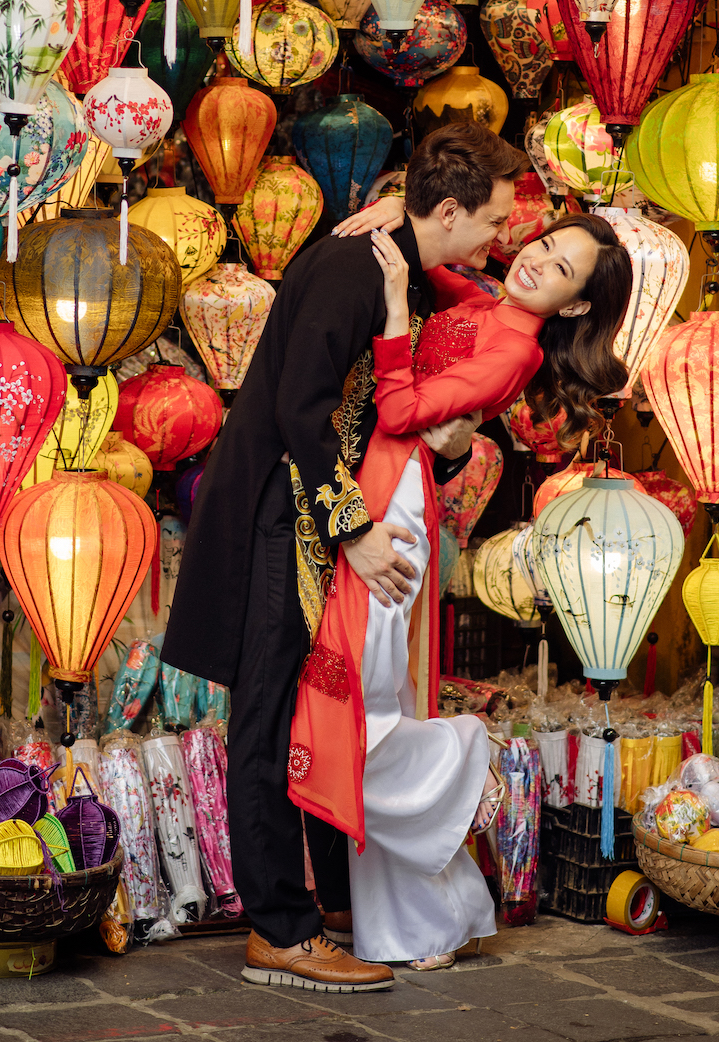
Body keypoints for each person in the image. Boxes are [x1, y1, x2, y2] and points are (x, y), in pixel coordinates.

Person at [161, 123, 527, 992]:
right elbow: (299, 410)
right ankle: (278, 931)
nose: (498, 240)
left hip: (306, 512)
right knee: (265, 710)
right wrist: (355, 528)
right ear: (446, 210)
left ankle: (320, 904)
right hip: (277, 513)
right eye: (494, 222)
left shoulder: (392, 259)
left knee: (316, 702)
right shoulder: (352, 266)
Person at [289, 205, 633, 969]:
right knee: (353, 698)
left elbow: (403, 408)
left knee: (367, 710)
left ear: (575, 305)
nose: (538, 261)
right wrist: (396, 212)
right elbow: (427, 256)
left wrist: (395, 309)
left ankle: (456, 757)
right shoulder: (487, 303)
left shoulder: (515, 349)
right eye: (543, 244)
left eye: (562, 268)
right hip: (375, 484)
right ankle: (419, 917)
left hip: (398, 504)